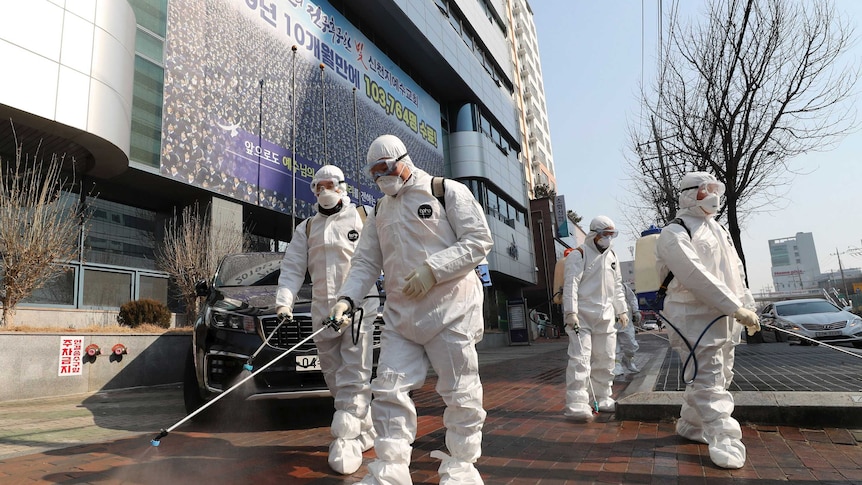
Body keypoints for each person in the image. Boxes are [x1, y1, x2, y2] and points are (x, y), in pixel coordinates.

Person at [330, 134, 493, 484]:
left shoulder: (443, 191)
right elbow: (364, 264)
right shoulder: (378, 211)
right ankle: (390, 470)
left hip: (451, 310)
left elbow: (479, 241)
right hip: (401, 317)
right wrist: (346, 299)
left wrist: (434, 270)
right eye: (374, 174)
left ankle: (462, 467)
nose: (381, 178)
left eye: (385, 169)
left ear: (403, 161)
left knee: (461, 391)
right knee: (388, 390)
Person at [275, 165, 378, 475]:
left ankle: (346, 440)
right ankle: (366, 427)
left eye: (329, 184)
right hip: (323, 313)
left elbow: (382, 255)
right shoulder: (306, 228)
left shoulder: (364, 217)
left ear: (342, 186)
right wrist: (284, 302)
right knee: (334, 377)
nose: (323, 191)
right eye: (317, 186)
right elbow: (292, 268)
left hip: (359, 308)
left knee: (355, 373)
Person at [655, 171, 760, 469]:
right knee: (710, 379)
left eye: (716, 189)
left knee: (719, 376)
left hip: (723, 317)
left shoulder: (719, 230)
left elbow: (735, 272)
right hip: (692, 317)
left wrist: (746, 306)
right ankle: (724, 439)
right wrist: (734, 307)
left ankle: (691, 425)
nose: (713, 196)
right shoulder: (674, 233)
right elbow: (694, 275)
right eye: (705, 190)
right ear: (689, 194)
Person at [561, 216, 629, 421]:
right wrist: (570, 312)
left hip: (606, 316)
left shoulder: (612, 257)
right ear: (594, 234)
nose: (608, 239)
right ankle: (577, 402)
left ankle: (603, 396)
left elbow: (617, 287)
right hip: (582, 316)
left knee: (606, 358)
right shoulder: (579, 255)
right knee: (580, 360)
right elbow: (571, 284)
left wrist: (622, 310)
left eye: (611, 235)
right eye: (605, 234)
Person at [614, 282, 641, 375]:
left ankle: (628, 360)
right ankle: (616, 365)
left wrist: (636, 311)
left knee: (631, 345)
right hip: (609, 323)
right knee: (613, 347)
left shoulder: (623, 286)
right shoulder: (599, 285)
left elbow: (632, 298)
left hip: (626, 322)